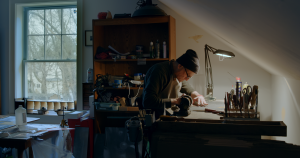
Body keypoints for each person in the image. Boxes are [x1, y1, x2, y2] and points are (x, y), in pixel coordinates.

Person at [142, 49, 208, 117]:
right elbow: (148, 101)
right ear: (180, 66)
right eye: (187, 76)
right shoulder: (159, 72)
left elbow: (186, 86)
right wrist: (177, 101)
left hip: (167, 114)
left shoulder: (177, 73)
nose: (187, 79)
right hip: (155, 116)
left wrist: (197, 95)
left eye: (189, 77)